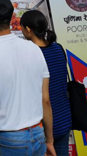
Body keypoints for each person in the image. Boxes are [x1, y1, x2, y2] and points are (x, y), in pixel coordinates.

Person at [0, 0, 55, 156]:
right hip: (37, 134)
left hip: (6, 140)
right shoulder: (34, 48)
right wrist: (49, 140)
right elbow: (45, 99)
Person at [22, 10, 71, 156]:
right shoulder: (58, 48)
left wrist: (49, 136)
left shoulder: (31, 55)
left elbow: (44, 98)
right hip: (63, 117)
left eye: (22, 28)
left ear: (28, 29)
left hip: (42, 124)